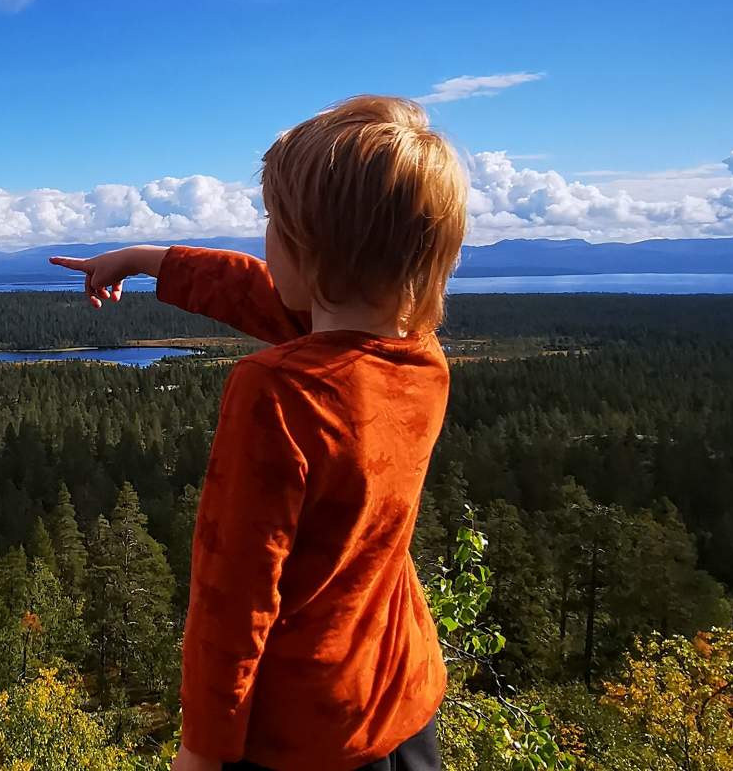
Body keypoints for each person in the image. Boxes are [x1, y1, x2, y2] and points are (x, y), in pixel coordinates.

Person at [51, 95, 467, 771]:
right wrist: (148, 259)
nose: (264, 240)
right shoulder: (420, 356)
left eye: (274, 221)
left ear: (313, 248)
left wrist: (201, 750)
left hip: (300, 738)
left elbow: (233, 595)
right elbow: (275, 297)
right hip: (404, 702)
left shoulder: (278, 391)